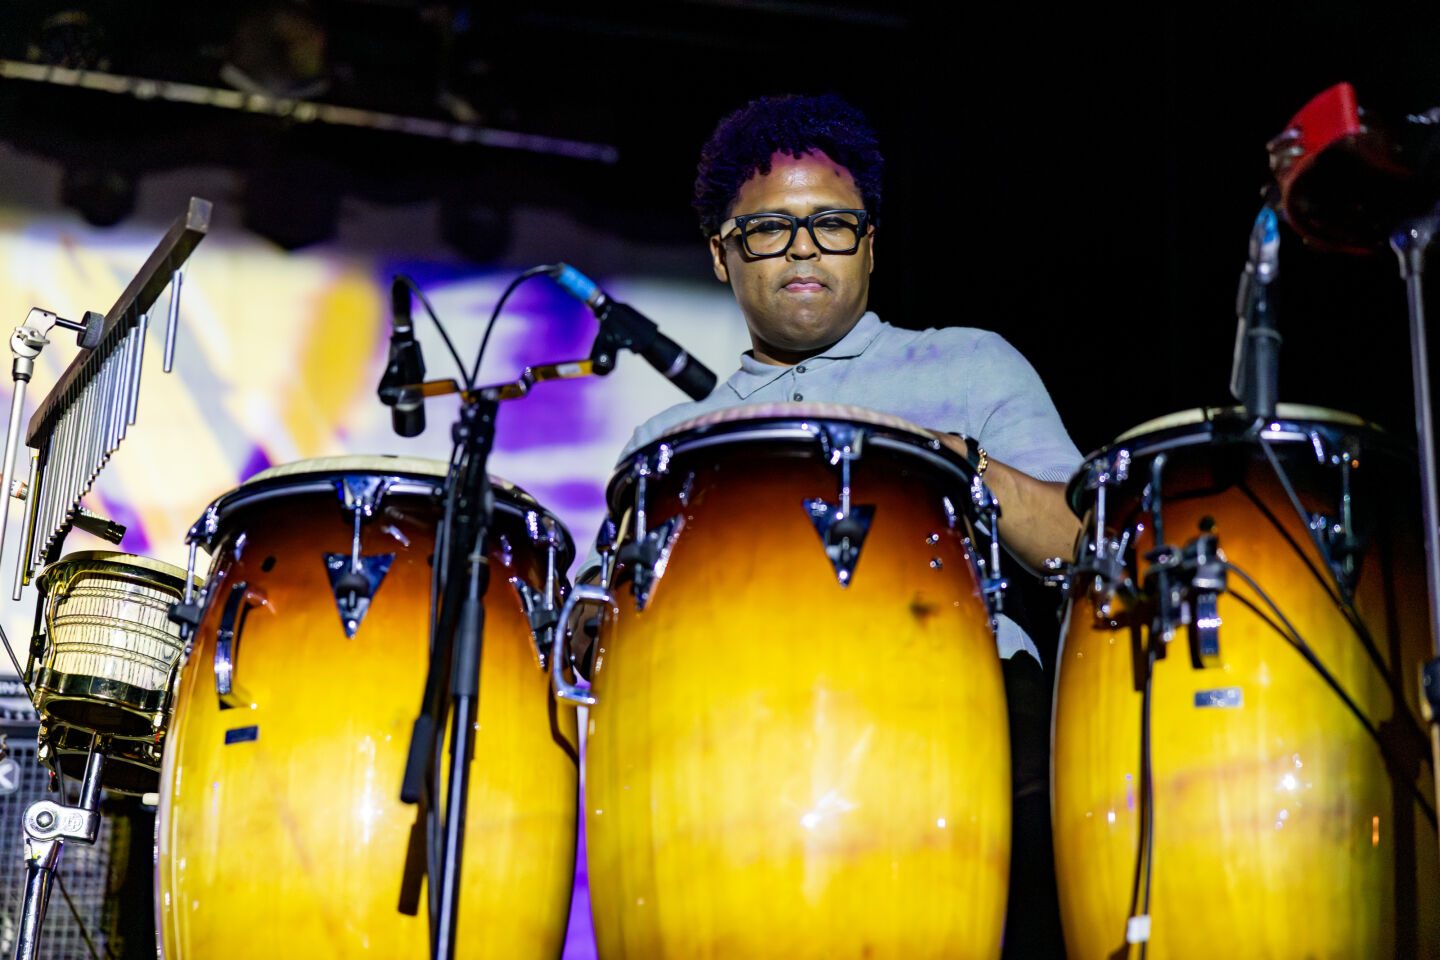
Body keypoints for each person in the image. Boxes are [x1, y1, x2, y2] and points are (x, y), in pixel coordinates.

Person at [580, 92, 1080, 957]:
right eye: (769, 229)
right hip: (724, 754)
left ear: (870, 245)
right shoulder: (665, 443)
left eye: (832, 225)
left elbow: (1084, 545)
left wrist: (956, 460)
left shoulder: (968, 364)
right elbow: (602, 634)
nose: (804, 247)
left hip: (960, 734)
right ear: (721, 255)